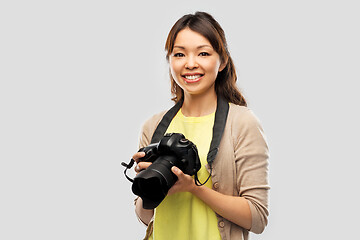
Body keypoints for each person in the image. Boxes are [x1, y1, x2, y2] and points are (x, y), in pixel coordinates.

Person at [131, 11, 269, 240]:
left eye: (203, 53)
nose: (190, 64)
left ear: (222, 61)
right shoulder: (153, 126)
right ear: (170, 60)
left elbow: (257, 217)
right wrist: (147, 185)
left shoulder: (242, 123)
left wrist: (194, 189)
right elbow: (146, 217)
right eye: (179, 54)